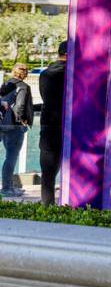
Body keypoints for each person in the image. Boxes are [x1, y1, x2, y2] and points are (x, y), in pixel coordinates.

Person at [38, 41, 68, 204]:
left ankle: (47, 206)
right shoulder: (72, 74)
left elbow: (45, 97)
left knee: (48, 174)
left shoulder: (45, 74)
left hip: (48, 125)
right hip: (68, 126)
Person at [0, 63, 33, 197]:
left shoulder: (5, 85)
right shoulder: (23, 87)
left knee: (8, 157)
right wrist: (22, 122)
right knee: (11, 157)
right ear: (24, 74)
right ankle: (7, 188)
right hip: (14, 126)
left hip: (3, 124)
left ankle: (9, 186)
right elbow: (20, 106)